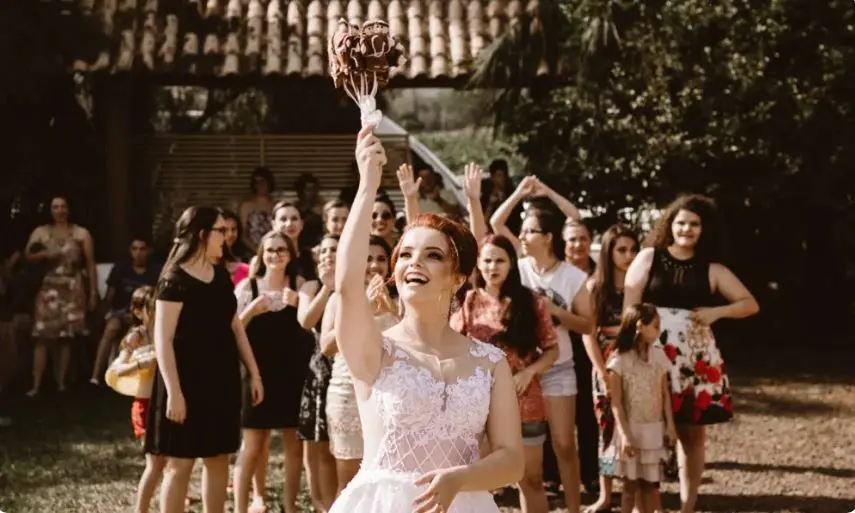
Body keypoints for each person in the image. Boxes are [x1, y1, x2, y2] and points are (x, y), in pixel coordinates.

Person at [328, 125, 524, 513]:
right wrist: (367, 187)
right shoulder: (375, 351)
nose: (414, 262)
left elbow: (512, 460)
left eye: (432, 255)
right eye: (405, 255)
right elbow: (347, 287)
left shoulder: (490, 363)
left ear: (459, 277)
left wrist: (459, 479)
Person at [623, 194, 759, 513]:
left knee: (692, 436)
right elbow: (630, 307)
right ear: (670, 225)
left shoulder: (712, 269)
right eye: (681, 222)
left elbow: (749, 304)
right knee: (645, 431)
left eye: (694, 224)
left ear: (704, 228)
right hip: (651, 353)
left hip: (694, 361)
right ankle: (647, 506)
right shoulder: (648, 258)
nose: (686, 229)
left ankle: (688, 506)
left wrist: (717, 312)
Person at [145, 206, 264, 513]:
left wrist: (254, 372)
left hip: (220, 379)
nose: (227, 236)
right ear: (202, 235)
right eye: (221, 231)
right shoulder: (174, 279)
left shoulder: (221, 275)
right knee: (180, 464)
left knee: (218, 457)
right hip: (183, 381)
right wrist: (174, 393)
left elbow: (235, 326)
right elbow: (163, 340)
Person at [451, 234, 559, 513]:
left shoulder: (532, 302)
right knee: (479, 480)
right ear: (478, 264)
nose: (493, 266)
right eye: (487, 260)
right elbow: (450, 344)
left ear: (511, 263)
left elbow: (552, 350)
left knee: (531, 479)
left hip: (525, 402)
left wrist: (529, 372)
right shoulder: (469, 301)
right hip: (479, 406)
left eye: (500, 260)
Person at [232, 231, 315, 513]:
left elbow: (312, 327)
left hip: (293, 376)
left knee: (294, 447)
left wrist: (298, 303)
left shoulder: (299, 285)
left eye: (281, 250)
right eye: (270, 250)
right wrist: (251, 311)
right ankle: (241, 508)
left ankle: (290, 507)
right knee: (252, 446)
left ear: (291, 254)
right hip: (256, 375)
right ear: (261, 254)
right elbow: (232, 330)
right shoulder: (248, 287)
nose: (275, 255)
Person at [580, 225, 640, 513]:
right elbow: (588, 334)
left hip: (637, 364)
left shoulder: (640, 284)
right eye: (621, 249)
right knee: (606, 429)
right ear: (608, 251)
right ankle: (605, 495)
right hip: (605, 364)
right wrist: (601, 371)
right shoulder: (595, 287)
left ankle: (633, 495)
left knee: (635, 427)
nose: (629, 255)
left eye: (633, 249)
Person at [606, 303, 676, 513]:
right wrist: (625, 435)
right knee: (629, 487)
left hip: (653, 429)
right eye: (655, 326)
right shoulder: (619, 361)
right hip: (631, 430)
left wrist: (670, 425)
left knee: (649, 486)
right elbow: (616, 403)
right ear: (639, 326)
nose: (659, 331)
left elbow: (665, 394)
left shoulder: (659, 358)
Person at [104, 285, 166, 513]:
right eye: (152, 308)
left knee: (171, 461)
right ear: (139, 312)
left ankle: (174, 499)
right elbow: (116, 370)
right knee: (155, 463)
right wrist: (141, 363)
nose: (158, 311)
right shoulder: (137, 336)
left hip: (166, 402)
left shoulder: (167, 330)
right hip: (146, 405)